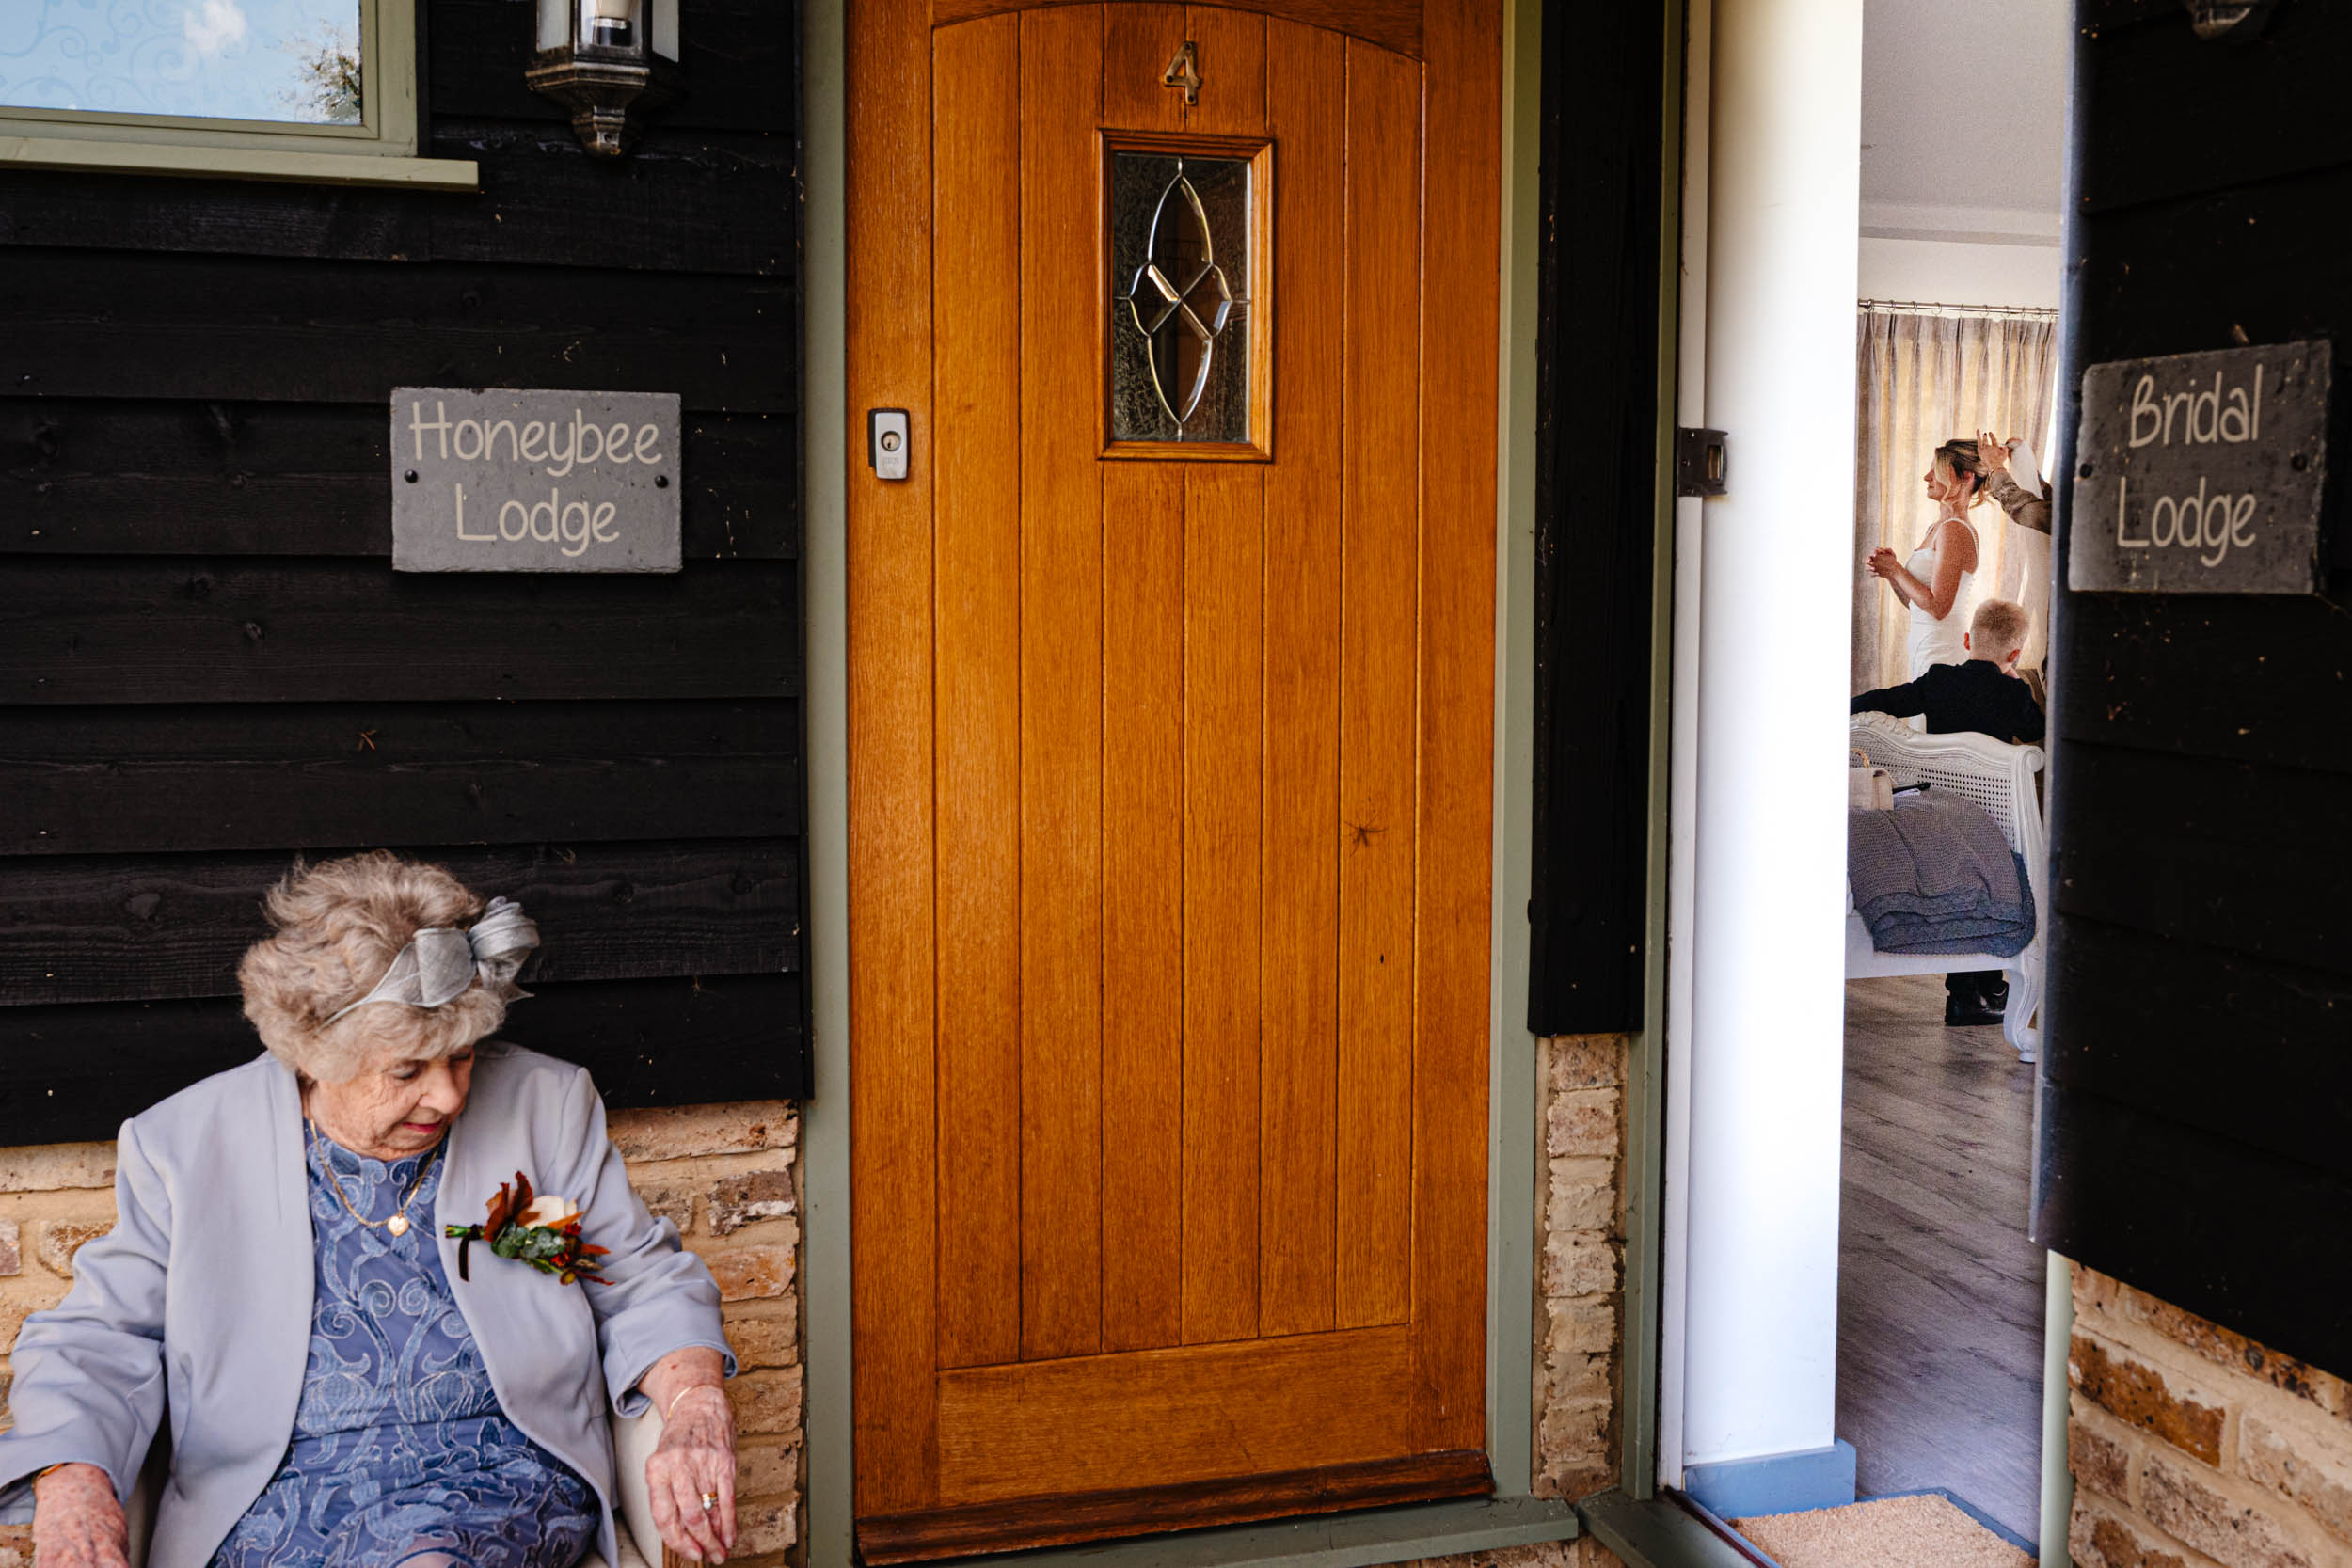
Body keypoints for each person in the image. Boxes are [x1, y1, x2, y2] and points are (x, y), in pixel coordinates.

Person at [0, 853, 742, 1568]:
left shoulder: (542, 1110)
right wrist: (73, 1481)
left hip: (497, 1478)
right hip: (280, 1498)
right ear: (315, 1050)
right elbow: (100, 1338)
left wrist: (693, 1404)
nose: (449, 1095)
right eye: (408, 1068)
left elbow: (635, 1277)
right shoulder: (185, 1146)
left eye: (462, 1053)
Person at [1852, 598, 2045, 1027]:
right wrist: (2018, 684)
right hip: (1991, 821)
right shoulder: (2012, 691)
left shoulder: (1939, 680)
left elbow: (1883, 699)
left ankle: (1971, 993)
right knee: (2001, 877)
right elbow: (2037, 731)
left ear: (1965, 639)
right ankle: (1981, 991)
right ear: (2014, 655)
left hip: (1943, 814)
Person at [1867, 436, 1989, 680]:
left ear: (1966, 476)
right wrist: (1892, 574)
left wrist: (1896, 569)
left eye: (1936, 471)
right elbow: (1917, 604)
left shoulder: (1955, 529)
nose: (1927, 477)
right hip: (1925, 645)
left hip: (1941, 653)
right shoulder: (1937, 527)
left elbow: (1938, 608)